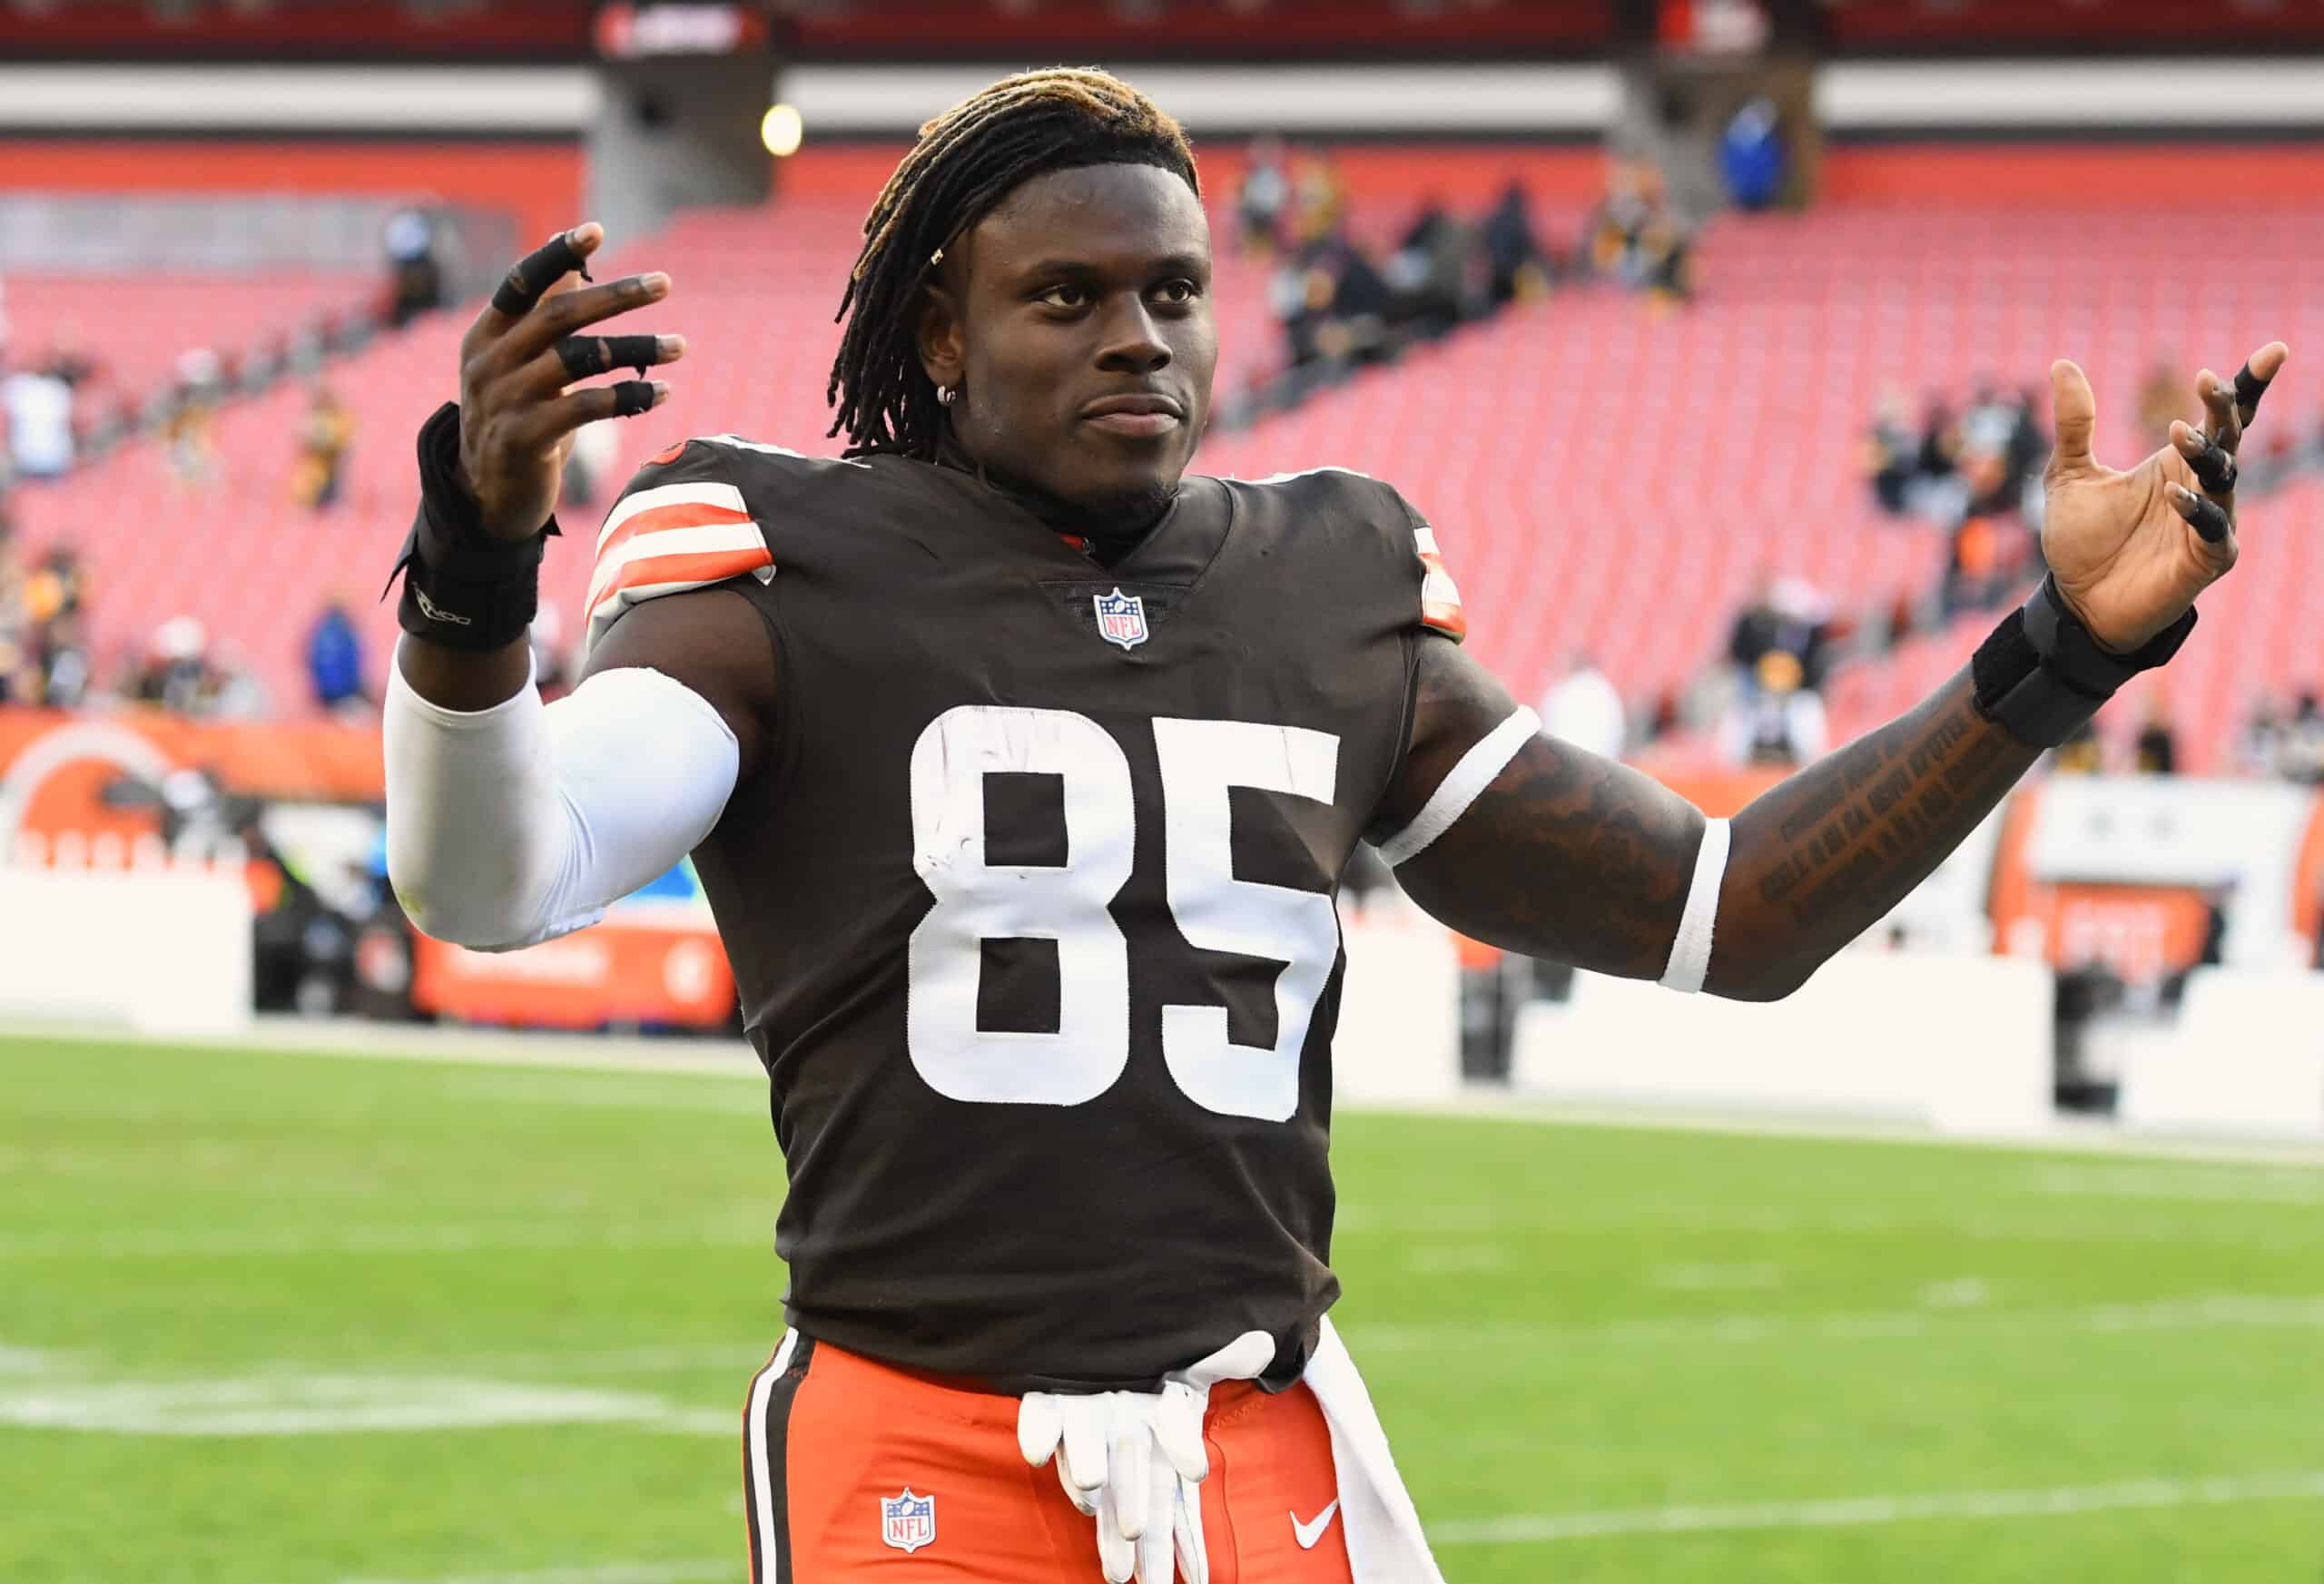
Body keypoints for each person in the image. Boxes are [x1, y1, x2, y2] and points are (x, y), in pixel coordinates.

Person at [379, 67, 2286, 1584]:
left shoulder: (1324, 585)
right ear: (939, 337)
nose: (1138, 338)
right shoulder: (780, 561)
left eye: (1172, 291)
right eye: (1064, 296)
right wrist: (474, 566)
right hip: (920, 1447)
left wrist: (2049, 656)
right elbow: (491, 878)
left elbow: (1735, 915)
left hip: (1254, 1448)